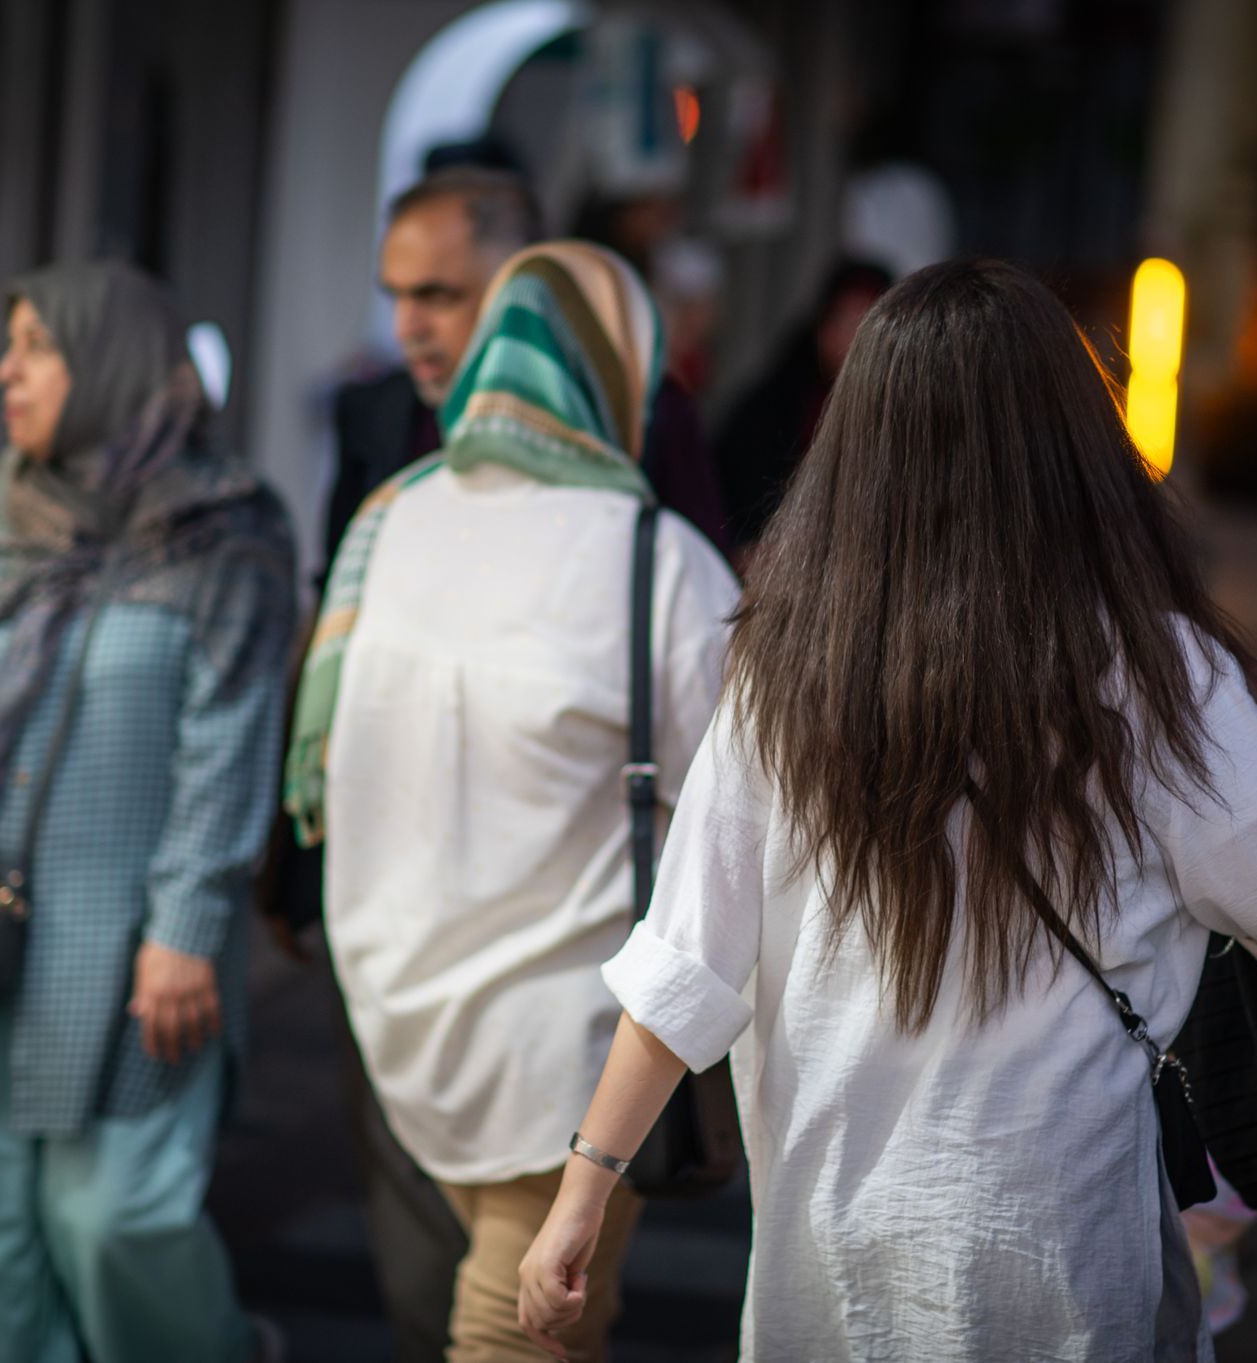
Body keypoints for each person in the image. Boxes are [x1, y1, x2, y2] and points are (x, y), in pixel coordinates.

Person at [518, 259, 1257, 1361]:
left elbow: (685, 962)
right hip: (1060, 1254)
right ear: (1073, 445)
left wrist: (579, 1191)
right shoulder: (1157, 675)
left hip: (831, 1263)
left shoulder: (783, 671)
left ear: (856, 448)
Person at [284, 242, 738, 1362]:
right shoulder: (659, 560)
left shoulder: (386, 519)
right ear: (620, 371)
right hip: (570, 1053)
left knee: (533, 1321)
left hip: (396, 1008)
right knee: (524, 1332)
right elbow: (746, 813)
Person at [0, 261, 294, 1363]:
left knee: (116, 1224)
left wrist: (185, 932)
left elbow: (228, 746)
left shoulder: (226, 535)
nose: (7, 369)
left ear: (108, 360)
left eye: (35, 344)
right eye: (11, 344)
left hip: (132, 959)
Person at [328, 167, 730, 565]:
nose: (406, 328)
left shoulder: (644, 411)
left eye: (437, 296)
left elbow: (698, 575)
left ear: (523, 290)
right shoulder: (376, 415)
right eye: (394, 297)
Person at [712, 258, 892, 550]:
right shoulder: (777, 405)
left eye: (865, 327)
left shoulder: (902, 417)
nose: (851, 342)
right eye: (844, 323)